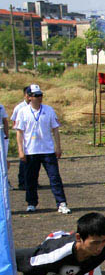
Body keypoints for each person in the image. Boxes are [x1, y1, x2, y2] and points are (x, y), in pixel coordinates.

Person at [14, 84, 70, 214]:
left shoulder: (49, 110)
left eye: (40, 95)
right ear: (29, 97)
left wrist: (58, 147)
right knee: (31, 179)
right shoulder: (22, 112)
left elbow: (55, 129)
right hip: (31, 151)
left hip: (48, 150)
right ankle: (31, 203)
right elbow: (20, 133)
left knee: (55, 177)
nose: (39, 98)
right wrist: (20, 151)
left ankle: (61, 203)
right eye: (36, 96)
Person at [9, 86, 31, 190]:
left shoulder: (36, 106)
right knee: (23, 161)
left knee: (33, 161)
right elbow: (14, 122)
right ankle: (22, 182)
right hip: (23, 136)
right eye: (28, 94)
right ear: (25, 95)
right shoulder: (19, 107)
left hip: (33, 138)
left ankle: (32, 181)